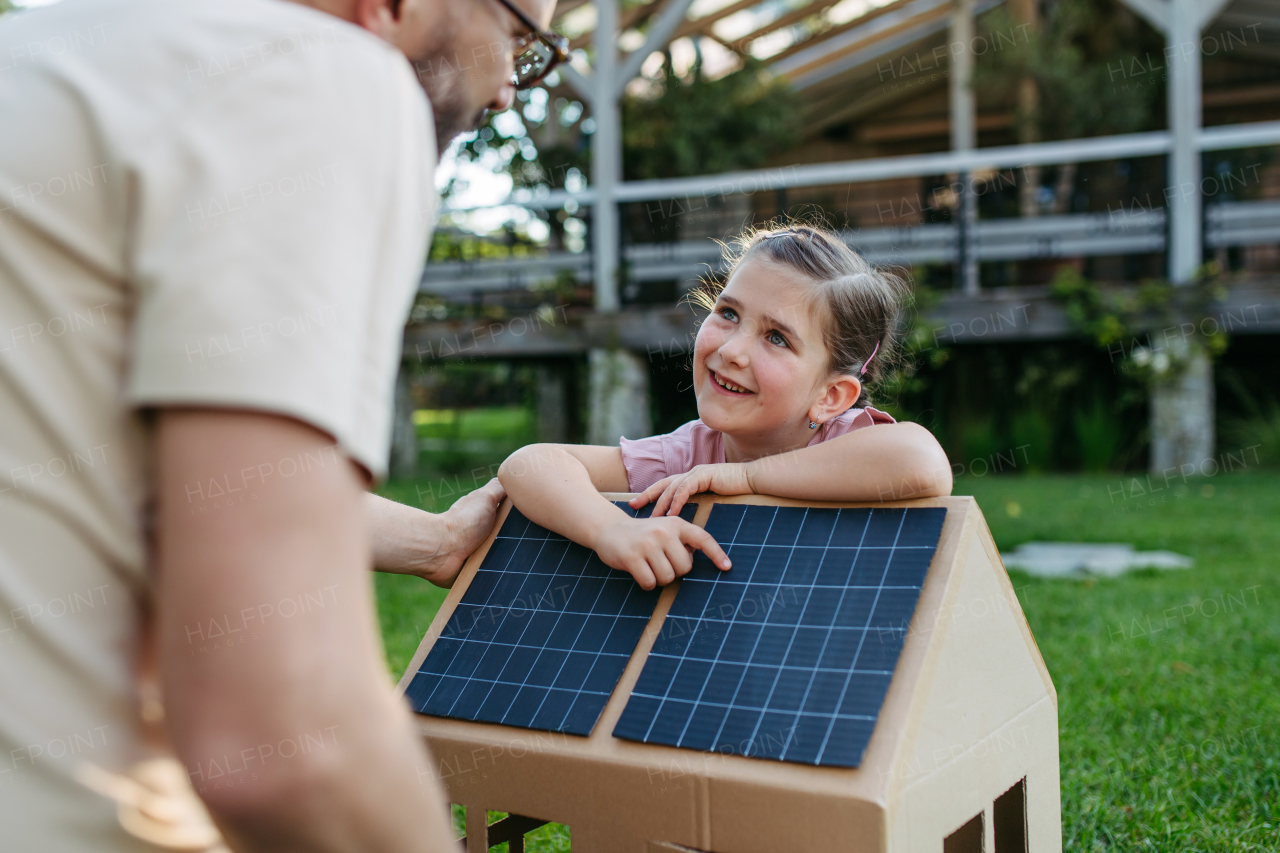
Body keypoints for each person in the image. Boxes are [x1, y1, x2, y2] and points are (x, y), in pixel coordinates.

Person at [0, 0, 560, 850]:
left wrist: (437, 541)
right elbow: (284, 740)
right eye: (522, 35)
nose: (511, 90)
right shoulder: (320, 77)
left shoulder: (49, 52)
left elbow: (140, 477)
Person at [500, 223, 953, 589]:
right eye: (729, 314)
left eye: (777, 338)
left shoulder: (844, 440)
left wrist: (743, 478)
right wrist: (611, 530)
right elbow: (530, 464)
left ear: (830, 396)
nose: (733, 350)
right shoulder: (691, 454)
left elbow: (924, 462)